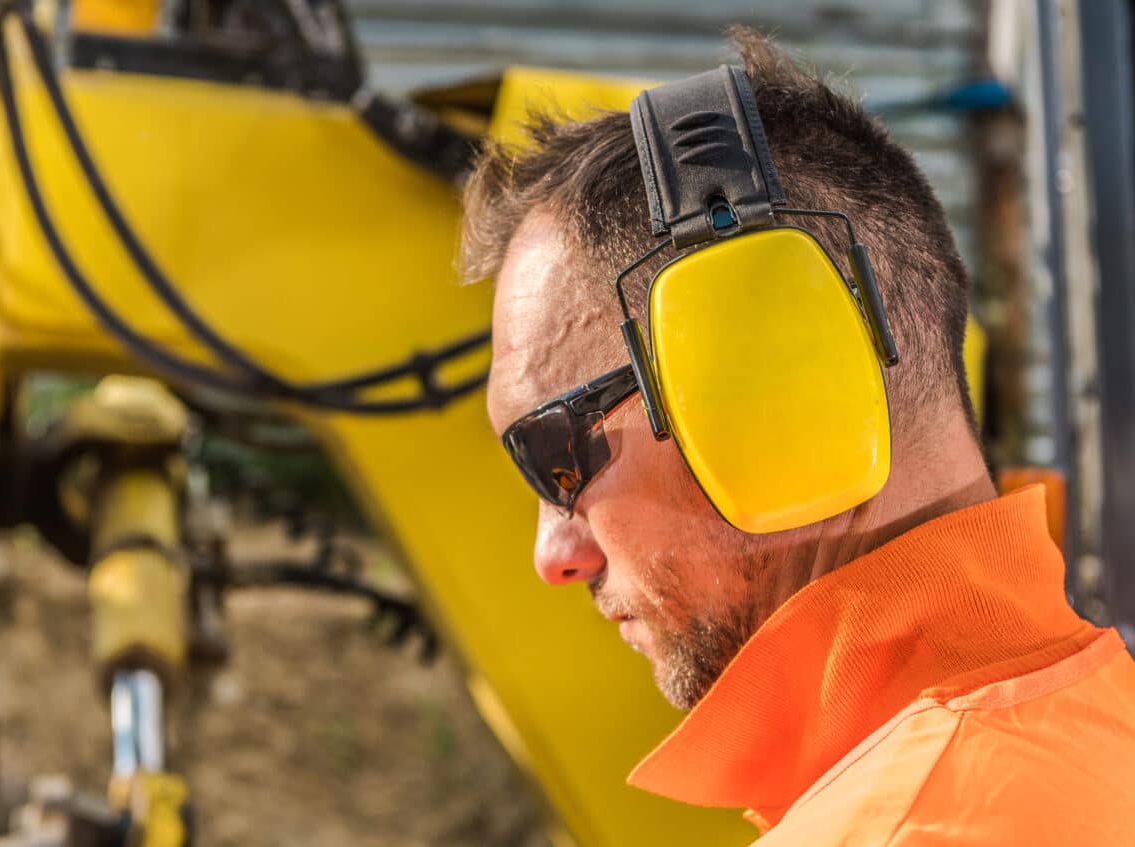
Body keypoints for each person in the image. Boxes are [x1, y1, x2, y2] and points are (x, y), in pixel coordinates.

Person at [462, 27, 1135, 845]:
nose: (553, 556)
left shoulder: (897, 829)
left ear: (769, 384)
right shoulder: (1101, 719)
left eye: (555, 455)